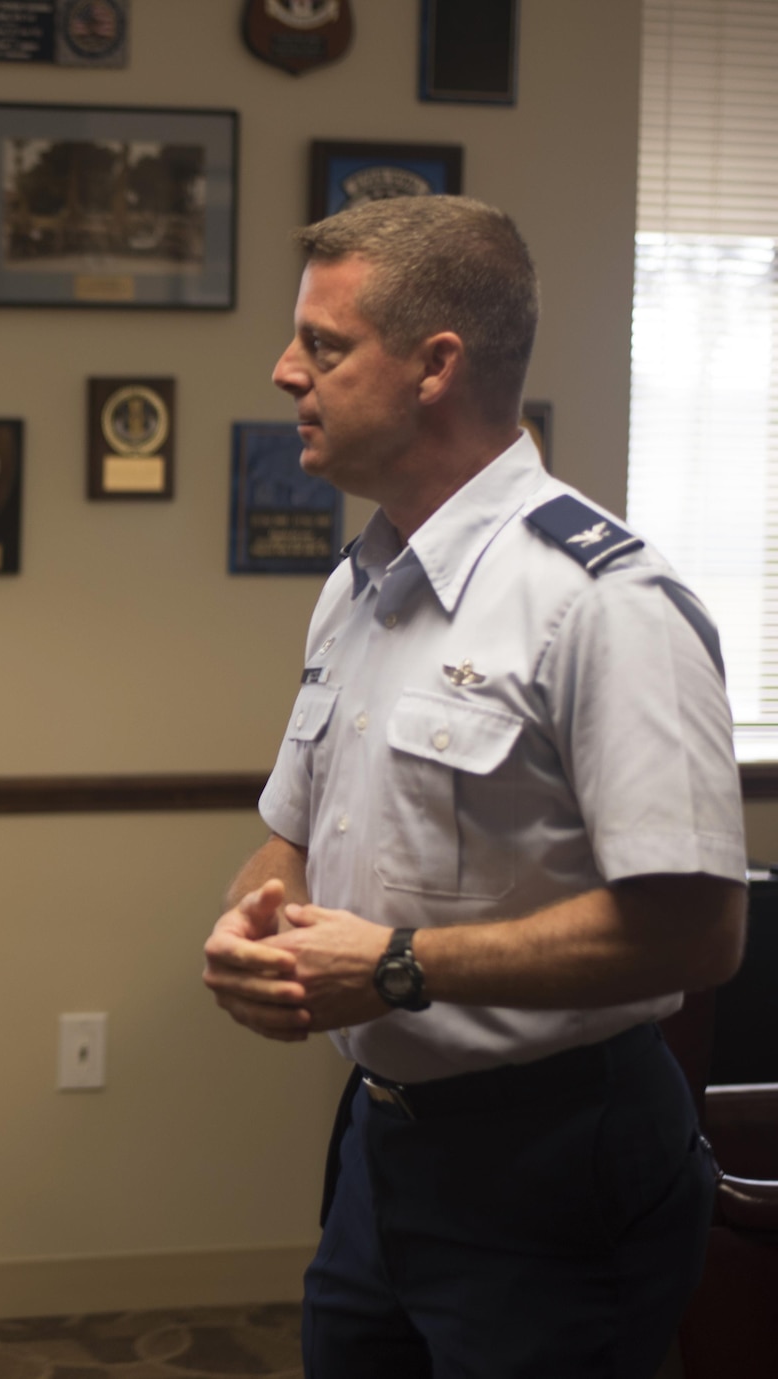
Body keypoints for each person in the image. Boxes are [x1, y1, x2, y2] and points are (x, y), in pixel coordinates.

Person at [202, 195, 745, 1378]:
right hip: (381, 1143)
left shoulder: (600, 602)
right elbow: (286, 836)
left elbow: (698, 930)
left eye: (325, 346)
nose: (285, 369)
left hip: (557, 1151)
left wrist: (395, 964)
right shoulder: (360, 583)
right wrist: (259, 920)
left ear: (433, 366)